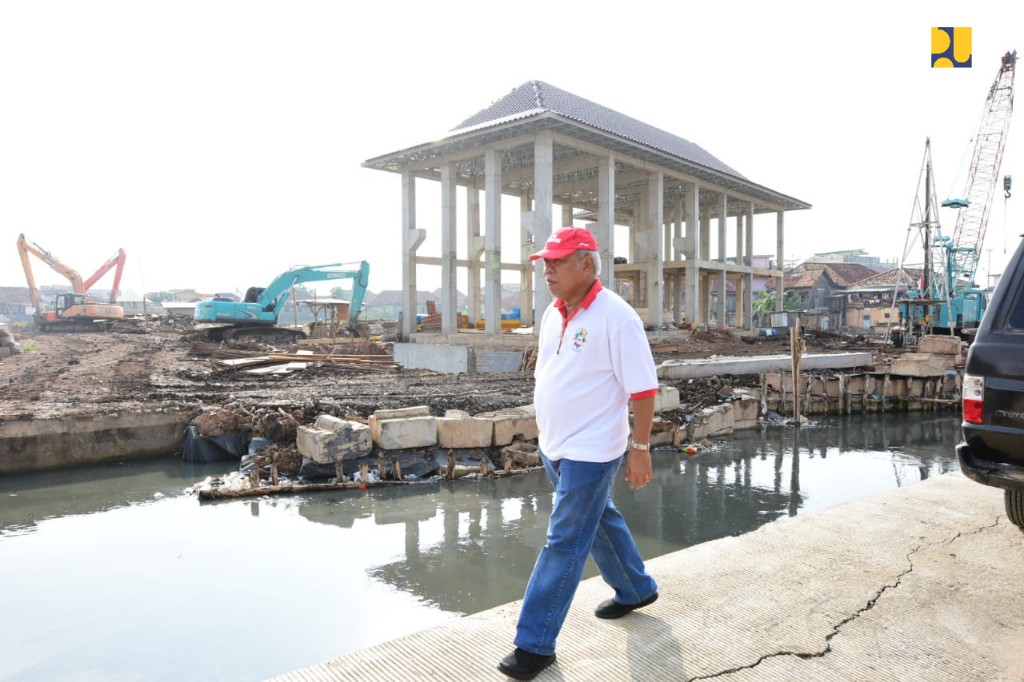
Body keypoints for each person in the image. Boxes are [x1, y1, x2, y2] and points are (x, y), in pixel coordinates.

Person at [498, 226, 660, 680]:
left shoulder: (617, 317)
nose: (547, 269)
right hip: (557, 444)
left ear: (587, 264)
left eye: (558, 262)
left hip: (593, 449)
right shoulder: (553, 313)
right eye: (545, 262)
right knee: (599, 518)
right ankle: (635, 588)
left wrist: (640, 448)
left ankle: (534, 643)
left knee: (564, 541)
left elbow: (644, 390)